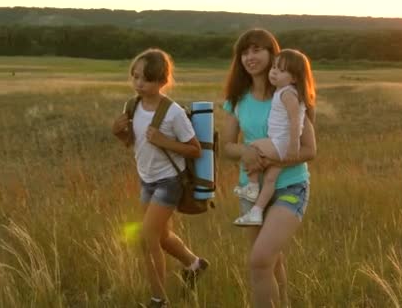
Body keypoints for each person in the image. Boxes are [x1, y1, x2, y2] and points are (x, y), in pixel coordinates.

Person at [222, 29, 316, 307]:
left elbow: (310, 150)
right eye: (245, 52)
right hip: (251, 191)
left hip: (290, 186)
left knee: (260, 259)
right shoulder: (238, 101)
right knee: (270, 263)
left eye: (257, 50)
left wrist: (275, 160)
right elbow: (227, 146)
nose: (250, 57)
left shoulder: (290, 96)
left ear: (272, 53)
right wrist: (248, 152)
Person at [112, 48, 209, 308]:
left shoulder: (173, 112)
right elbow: (131, 143)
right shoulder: (132, 106)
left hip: (169, 181)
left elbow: (195, 149)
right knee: (163, 236)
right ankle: (195, 264)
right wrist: (118, 133)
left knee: (147, 238)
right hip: (147, 179)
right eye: (135, 77)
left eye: (146, 79)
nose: (139, 84)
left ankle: (158, 300)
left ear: (162, 81)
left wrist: (164, 140)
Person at [234, 49, 316, 226]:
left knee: (253, 147)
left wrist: (293, 145)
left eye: (282, 70)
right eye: (274, 67)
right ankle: (257, 211)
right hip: (283, 144)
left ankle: (252, 187)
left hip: (281, 143)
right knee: (270, 179)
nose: (274, 72)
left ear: (294, 78)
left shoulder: (287, 94)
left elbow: (296, 121)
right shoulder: (288, 92)